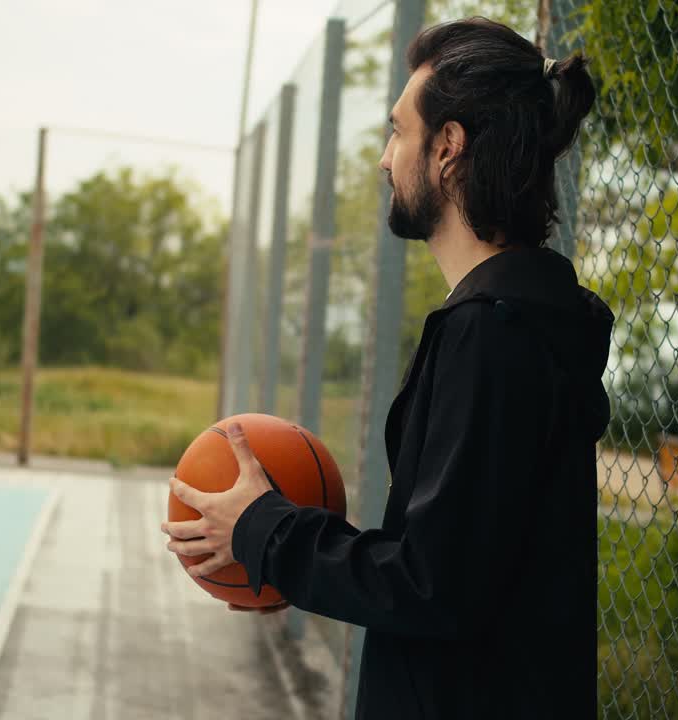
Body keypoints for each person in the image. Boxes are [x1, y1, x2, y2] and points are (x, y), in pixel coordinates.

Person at [161, 16, 612, 719]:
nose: (383, 159)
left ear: (448, 148)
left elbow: (435, 586)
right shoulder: (518, 320)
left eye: (399, 132)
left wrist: (264, 530)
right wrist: (284, 563)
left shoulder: (492, 334)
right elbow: (453, 563)